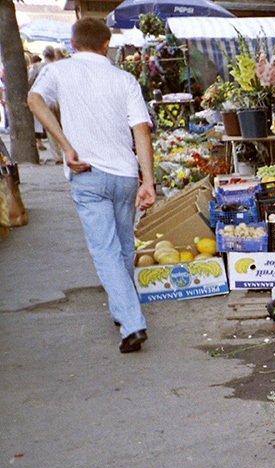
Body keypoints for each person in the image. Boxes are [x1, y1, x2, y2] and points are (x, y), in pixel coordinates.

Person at [28, 18, 156, 353]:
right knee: (124, 246)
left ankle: (131, 323)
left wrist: (65, 145)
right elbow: (142, 130)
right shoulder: (124, 79)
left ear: (72, 44)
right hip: (126, 174)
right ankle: (122, 309)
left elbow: (34, 100)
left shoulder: (58, 71)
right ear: (106, 45)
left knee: (105, 250)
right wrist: (149, 180)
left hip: (87, 172)